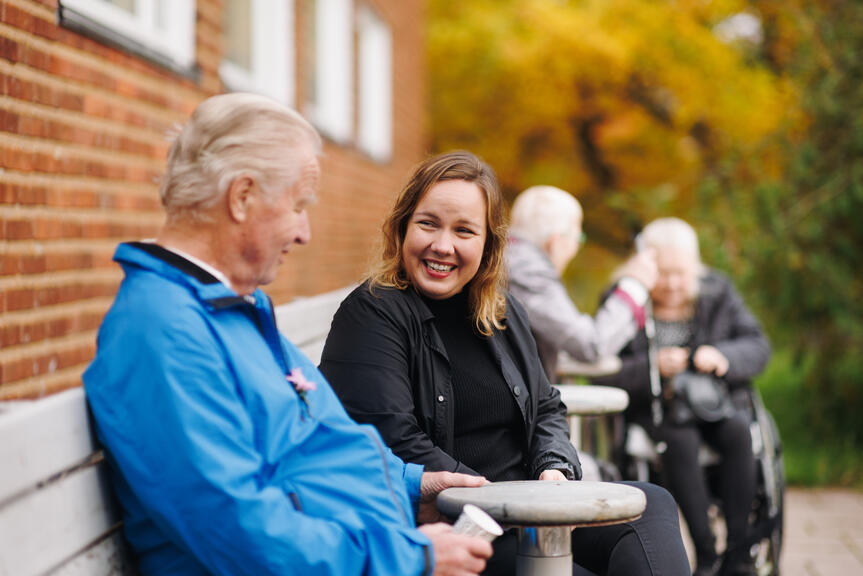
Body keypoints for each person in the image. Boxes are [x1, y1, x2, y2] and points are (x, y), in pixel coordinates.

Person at [82, 93, 494, 576]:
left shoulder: (230, 309)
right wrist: (410, 558)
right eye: (298, 205)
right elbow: (237, 530)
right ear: (242, 197)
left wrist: (409, 489)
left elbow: (311, 445)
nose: (304, 232)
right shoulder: (162, 332)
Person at [319, 151, 691, 576]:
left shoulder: (501, 311)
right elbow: (394, 440)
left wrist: (553, 468)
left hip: (528, 509)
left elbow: (547, 405)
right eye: (428, 224)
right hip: (461, 523)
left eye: (464, 230)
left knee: (651, 504)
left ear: (488, 244)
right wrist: (504, 499)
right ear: (403, 226)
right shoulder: (372, 313)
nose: (443, 245)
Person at [594, 218, 770, 576]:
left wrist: (723, 356)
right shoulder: (623, 300)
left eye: (681, 273)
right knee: (680, 440)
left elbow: (758, 346)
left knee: (738, 432)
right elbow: (603, 368)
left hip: (715, 405)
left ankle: (738, 551)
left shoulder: (717, 292)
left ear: (695, 267)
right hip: (658, 411)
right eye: (663, 273)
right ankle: (705, 550)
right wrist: (652, 366)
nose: (673, 284)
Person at [506, 185, 658, 382]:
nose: (576, 247)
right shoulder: (528, 271)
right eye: (579, 238)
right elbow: (592, 346)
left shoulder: (510, 260)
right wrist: (633, 287)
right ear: (556, 242)